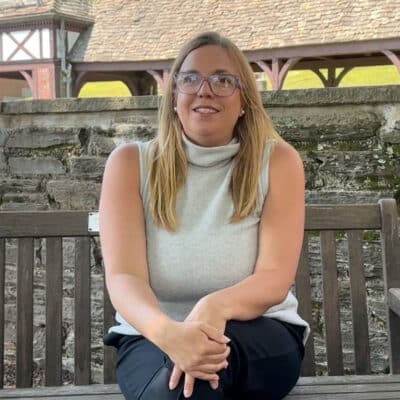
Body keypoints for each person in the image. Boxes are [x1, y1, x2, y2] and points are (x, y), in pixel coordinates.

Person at [99, 31, 310, 400]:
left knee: (203, 375)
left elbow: (274, 277)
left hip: (259, 332)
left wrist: (215, 306)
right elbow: (124, 277)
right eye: (191, 78)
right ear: (174, 97)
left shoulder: (277, 162)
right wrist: (171, 334)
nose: (205, 90)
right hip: (151, 336)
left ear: (244, 99)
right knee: (184, 386)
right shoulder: (130, 165)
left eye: (223, 80)